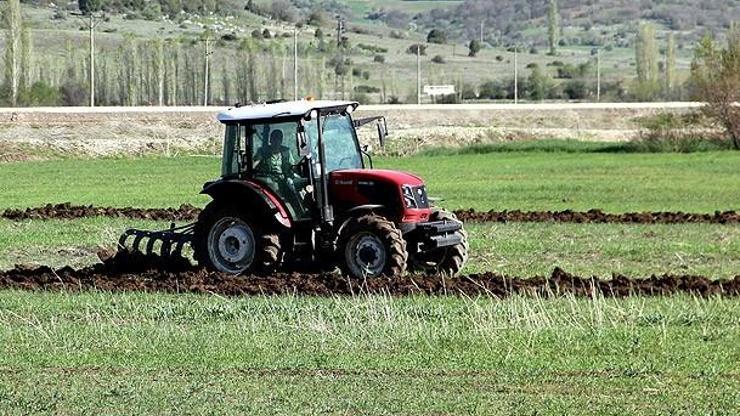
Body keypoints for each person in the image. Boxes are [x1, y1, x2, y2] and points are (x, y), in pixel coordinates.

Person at [253, 129, 306, 217]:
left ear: (281, 140)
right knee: (274, 185)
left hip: (284, 177)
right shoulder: (263, 151)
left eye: (279, 139)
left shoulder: (286, 151)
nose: (276, 141)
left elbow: (292, 165)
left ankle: (301, 213)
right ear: (270, 140)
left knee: (294, 185)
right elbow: (254, 164)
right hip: (269, 178)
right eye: (274, 139)